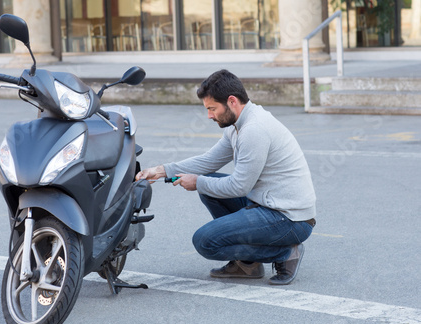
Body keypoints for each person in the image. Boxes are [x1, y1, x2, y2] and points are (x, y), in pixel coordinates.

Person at [135, 69, 316, 285]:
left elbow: (239, 187)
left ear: (232, 101)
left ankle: (285, 253)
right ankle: (248, 265)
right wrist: (161, 170)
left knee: (205, 241)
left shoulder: (254, 129)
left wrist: (198, 183)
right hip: (267, 203)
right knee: (209, 182)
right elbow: (209, 161)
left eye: (212, 109)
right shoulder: (238, 124)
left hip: (289, 219)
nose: (210, 115)